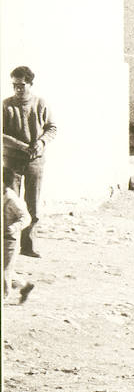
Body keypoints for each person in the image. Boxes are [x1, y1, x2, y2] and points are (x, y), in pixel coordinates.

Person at [3, 66, 56, 259]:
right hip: (11, 162)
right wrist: (20, 146)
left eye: (22, 85)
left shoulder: (41, 104)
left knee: (32, 205)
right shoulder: (5, 105)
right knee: (11, 204)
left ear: (30, 84)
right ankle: (8, 244)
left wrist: (41, 143)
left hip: (35, 162)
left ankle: (28, 245)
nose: (18, 89)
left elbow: (52, 128)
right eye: (15, 85)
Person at [3, 185, 35, 304]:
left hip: (9, 240)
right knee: (6, 269)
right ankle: (25, 286)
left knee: (4, 270)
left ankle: (4, 296)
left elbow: (26, 218)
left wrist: (13, 228)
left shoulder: (12, 199)